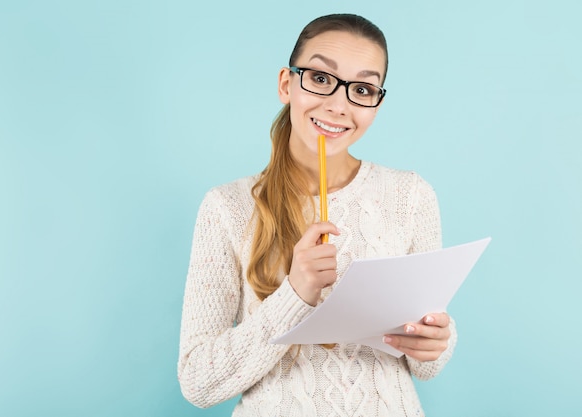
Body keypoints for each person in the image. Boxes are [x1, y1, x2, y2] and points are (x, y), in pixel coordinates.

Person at [178, 13, 456, 416]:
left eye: (362, 88)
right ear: (286, 84)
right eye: (322, 79)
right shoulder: (228, 206)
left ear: (376, 104)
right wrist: (294, 295)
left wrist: (436, 342)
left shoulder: (410, 196)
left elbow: (427, 365)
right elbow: (198, 383)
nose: (339, 105)